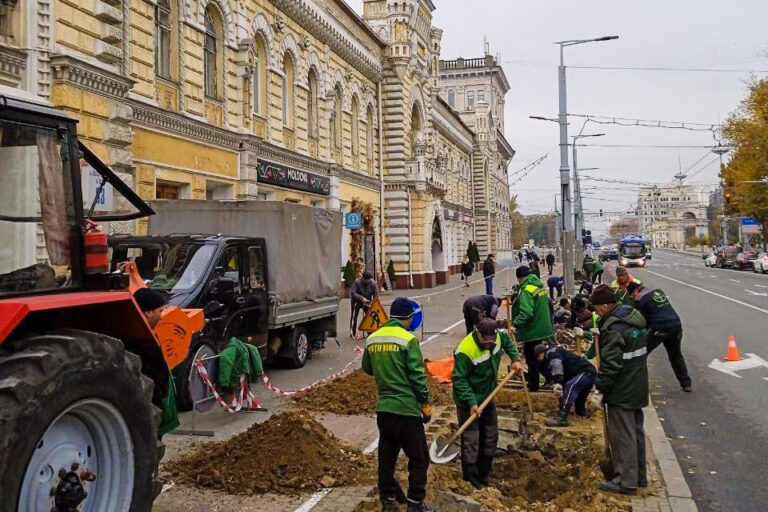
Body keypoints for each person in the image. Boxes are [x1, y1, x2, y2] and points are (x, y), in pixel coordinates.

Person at [362, 298, 433, 512]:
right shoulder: (408, 340)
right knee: (419, 459)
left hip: (384, 409)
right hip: (406, 409)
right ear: (408, 318)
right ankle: (415, 503)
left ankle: (388, 501)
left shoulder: (373, 339)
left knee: (386, 459)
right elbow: (417, 375)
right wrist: (424, 402)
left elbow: (367, 368)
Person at [589, 285, 649, 495]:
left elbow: (611, 365)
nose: (596, 312)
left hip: (622, 388)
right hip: (637, 383)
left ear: (605, 306)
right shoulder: (632, 318)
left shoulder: (614, 329)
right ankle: (639, 476)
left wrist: (600, 388)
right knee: (635, 431)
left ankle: (626, 481)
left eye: (596, 308)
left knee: (623, 435)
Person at [452, 317, 524, 488]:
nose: (489, 344)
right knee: (472, 440)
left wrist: (515, 358)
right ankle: (471, 481)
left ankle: (484, 475)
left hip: (488, 396)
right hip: (468, 401)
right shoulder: (465, 351)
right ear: (478, 332)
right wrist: (472, 403)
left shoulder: (498, 337)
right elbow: (459, 380)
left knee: (490, 435)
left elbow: (507, 342)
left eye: (491, 340)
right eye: (486, 340)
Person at [628, 283, 692, 392]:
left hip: (660, 328)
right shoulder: (657, 292)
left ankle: (636, 383)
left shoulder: (640, 299)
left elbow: (641, 322)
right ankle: (686, 383)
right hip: (676, 325)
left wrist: (634, 335)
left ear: (635, 291)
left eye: (632, 296)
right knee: (676, 355)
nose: (634, 298)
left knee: (641, 353)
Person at [510, 266, 555, 392]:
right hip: (542, 327)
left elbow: (527, 313)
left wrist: (515, 324)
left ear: (519, 278)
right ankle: (550, 377)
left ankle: (533, 385)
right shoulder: (537, 284)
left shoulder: (526, 290)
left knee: (531, 357)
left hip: (533, 330)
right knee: (538, 355)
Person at [535, 343, 597, 426]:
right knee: (579, 398)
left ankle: (562, 419)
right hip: (586, 373)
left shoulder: (551, 352)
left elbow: (556, 365)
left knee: (570, 386)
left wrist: (558, 382)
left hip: (585, 371)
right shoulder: (554, 354)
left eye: (538, 357)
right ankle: (581, 414)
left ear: (541, 353)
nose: (539, 359)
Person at [350, 271, 379, 339]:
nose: (366, 281)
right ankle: (352, 332)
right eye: (365, 280)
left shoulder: (373, 283)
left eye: (368, 280)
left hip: (367, 302)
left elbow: (376, 294)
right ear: (362, 277)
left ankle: (369, 331)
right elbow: (353, 292)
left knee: (369, 316)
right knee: (354, 317)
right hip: (356, 302)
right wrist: (361, 298)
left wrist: (373, 303)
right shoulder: (357, 282)